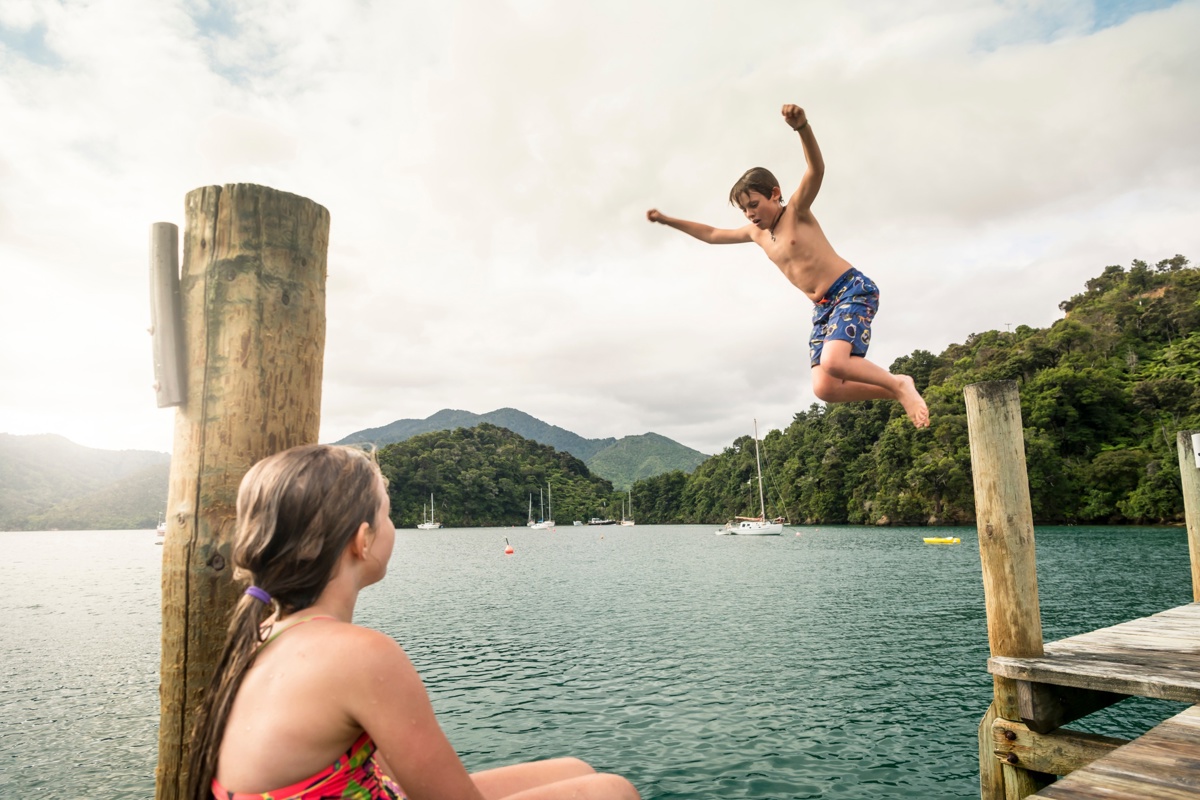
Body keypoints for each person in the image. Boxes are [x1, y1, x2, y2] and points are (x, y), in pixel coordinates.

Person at [187, 444, 641, 800]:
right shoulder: (360, 656)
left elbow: (372, 768)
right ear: (362, 541)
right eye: (388, 514)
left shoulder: (263, 634)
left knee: (576, 772)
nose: (393, 527)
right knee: (611, 791)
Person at [646, 104, 929, 428]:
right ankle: (895, 391)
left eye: (754, 204)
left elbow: (816, 170)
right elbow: (711, 234)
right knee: (825, 387)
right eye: (744, 210)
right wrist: (667, 220)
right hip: (823, 307)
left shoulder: (797, 211)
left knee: (835, 362)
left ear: (775, 194)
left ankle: (899, 384)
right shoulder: (756, 233)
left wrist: (802, 127)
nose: (751, 214)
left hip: (850, 290)